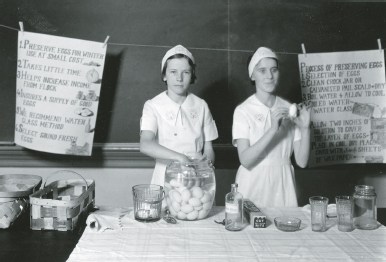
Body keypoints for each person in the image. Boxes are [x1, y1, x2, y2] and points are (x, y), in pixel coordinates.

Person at [232, 47, 311, 207]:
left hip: (283, 182)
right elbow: (245, 160)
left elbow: (302, 162)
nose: (269, 76)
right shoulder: (243, 110)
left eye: (274, 70)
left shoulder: (289, 108)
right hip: (252, 181)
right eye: (262, 71)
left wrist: (305, 128)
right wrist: (273, 129)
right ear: (252, 75)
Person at [140, 45, 218, 187]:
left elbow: (208, 148)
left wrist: (205, 168)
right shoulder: (153, 105)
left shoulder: (201, 105)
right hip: (165, 177)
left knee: (196, 207)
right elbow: (145, 144)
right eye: (173, 72)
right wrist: (179, 157)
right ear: (164, 75)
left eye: (186, 72)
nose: (179, 78)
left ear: (192, 75)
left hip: (196, 176)